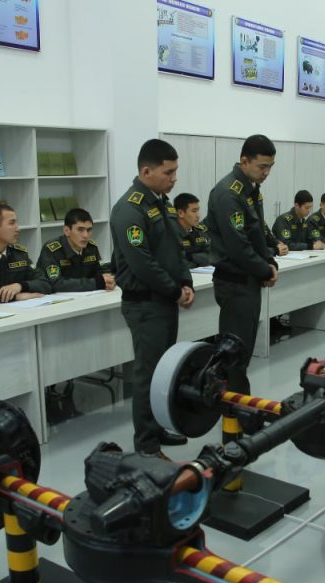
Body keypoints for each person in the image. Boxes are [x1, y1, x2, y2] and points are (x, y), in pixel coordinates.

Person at [111, 139, 194, 455]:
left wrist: (185, 282)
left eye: (175, 171)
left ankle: (158, 428)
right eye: (168, 172)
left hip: (165, 300)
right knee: (148, 376)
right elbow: (142, 263)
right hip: (145, 304)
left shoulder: (162, 202)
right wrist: (175, 291)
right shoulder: (129, 209)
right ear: (146, 171)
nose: (174, 178)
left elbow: (175, 248)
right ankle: (146, 444)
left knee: (163, 373)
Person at [204, 134, 279, 393]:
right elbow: (238, 246)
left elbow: (257, 233)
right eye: (262, 167)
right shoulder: (229, 193)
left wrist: (269, 261)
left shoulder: (250, 189)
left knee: (242, 352)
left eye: (270, 167)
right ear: (244, 161)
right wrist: (265, 270)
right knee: (234, 355)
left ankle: (236, 405)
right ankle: (233, 409)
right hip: (235, 283)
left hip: (249, 281)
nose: (266, 173)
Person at [37, 208, 115, 292]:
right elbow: (55, 284)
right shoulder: (52, 250)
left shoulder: (91, 247)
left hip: (86, 297)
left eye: (89, 230)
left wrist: (108, 279)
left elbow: (101, 271)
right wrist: (95, 283)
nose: (85, 235)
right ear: (67, 231)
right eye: (80, 230)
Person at [173, 192, 212, 267]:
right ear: (180, 213)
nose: (198, 215)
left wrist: (191, 257)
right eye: (194, 211)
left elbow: (211, 256)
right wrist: (198, 261)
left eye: (198, 211)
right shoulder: (171, 233)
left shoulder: (200, 231)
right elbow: (178, 264)